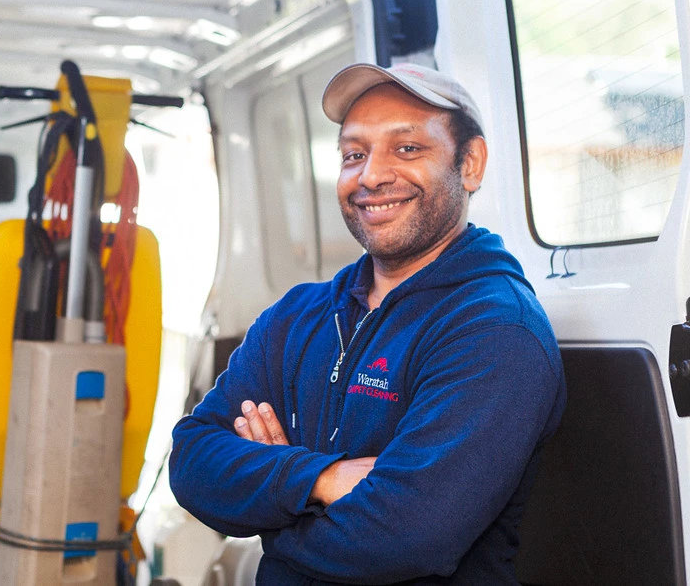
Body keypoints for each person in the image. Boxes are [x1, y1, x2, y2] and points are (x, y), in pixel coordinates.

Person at [169, 62, 567, 585]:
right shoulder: (297, 314)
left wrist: (271, 514)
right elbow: (192, 459)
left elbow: (404, 536)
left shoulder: (495, 330)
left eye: (407, 149)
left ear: (470, 164)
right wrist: (320, 477)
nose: (372, 176)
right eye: (354, 154)